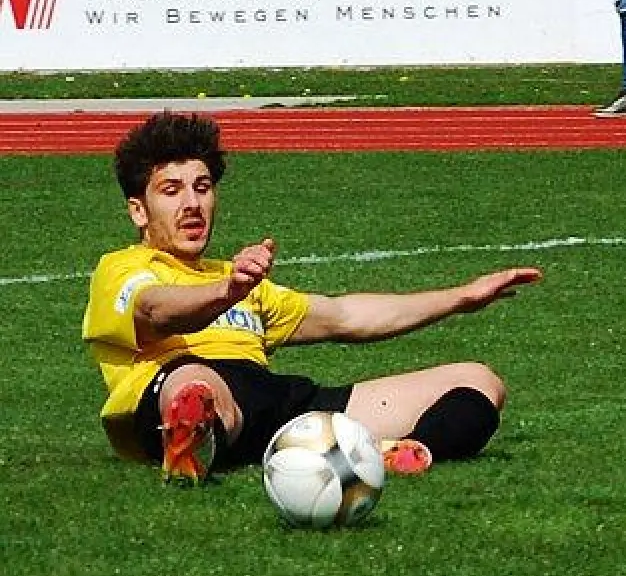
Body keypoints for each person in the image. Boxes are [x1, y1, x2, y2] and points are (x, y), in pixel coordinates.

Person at [83, 111, 543, 483]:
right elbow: (155, 310)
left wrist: (462, 297)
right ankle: (193, 432)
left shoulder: (239, 278)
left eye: (202, 188)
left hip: (270, 405)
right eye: (172, 190)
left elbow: (345, 315)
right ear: (138, 210)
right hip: (178, 388)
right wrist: (229, 291)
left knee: (478, 381)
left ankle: (403, 452)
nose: (192, 204)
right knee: (194, 383)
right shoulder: (123, 269)